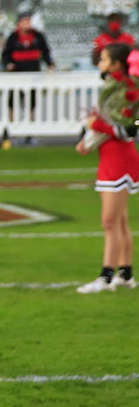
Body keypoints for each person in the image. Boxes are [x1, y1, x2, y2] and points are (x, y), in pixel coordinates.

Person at [74, 42, 139, 294]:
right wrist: (88, 141)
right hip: (110, 158)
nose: (100, 63)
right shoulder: (116, 88)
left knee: (110, 222)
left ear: (117, 64)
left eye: (104, 59)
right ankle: (125, 273)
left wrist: (96, 126)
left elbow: (128, 129)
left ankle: (106, 277)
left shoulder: (129, 91)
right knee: (120, 221)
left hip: (119, 161)